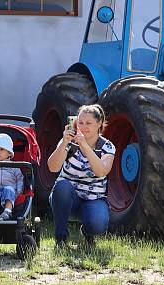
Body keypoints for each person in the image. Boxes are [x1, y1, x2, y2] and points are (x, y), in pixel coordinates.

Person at [46, 104, 115, 250]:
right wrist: (64, 143)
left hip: (93, 198)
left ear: (99, 124)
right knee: (62, 186)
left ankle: (88, 231)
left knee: (98, 225)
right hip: (67, 199)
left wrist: (85, 146)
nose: (83, 127)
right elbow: (52, 167)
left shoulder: (107, 147)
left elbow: (101, 171)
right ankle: (61, 238)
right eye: (81, 122)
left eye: (88, 123)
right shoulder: (68, 142)